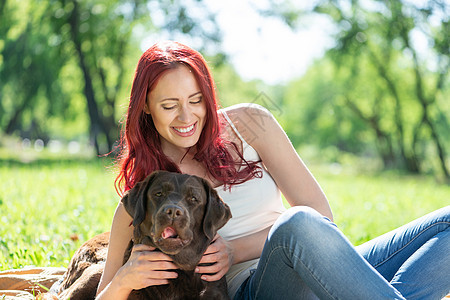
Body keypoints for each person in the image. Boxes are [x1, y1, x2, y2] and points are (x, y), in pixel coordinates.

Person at [95, 40, 450, 300]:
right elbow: (105, 293)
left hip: (320, 267)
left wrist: (233, 248)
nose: (187, 118)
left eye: (196, 100)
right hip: (258, 289)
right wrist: (126, 279)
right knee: (296, 224)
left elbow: (321, 216)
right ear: (145, 106)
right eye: (170, 106)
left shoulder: (250, 123)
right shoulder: (149, 195)